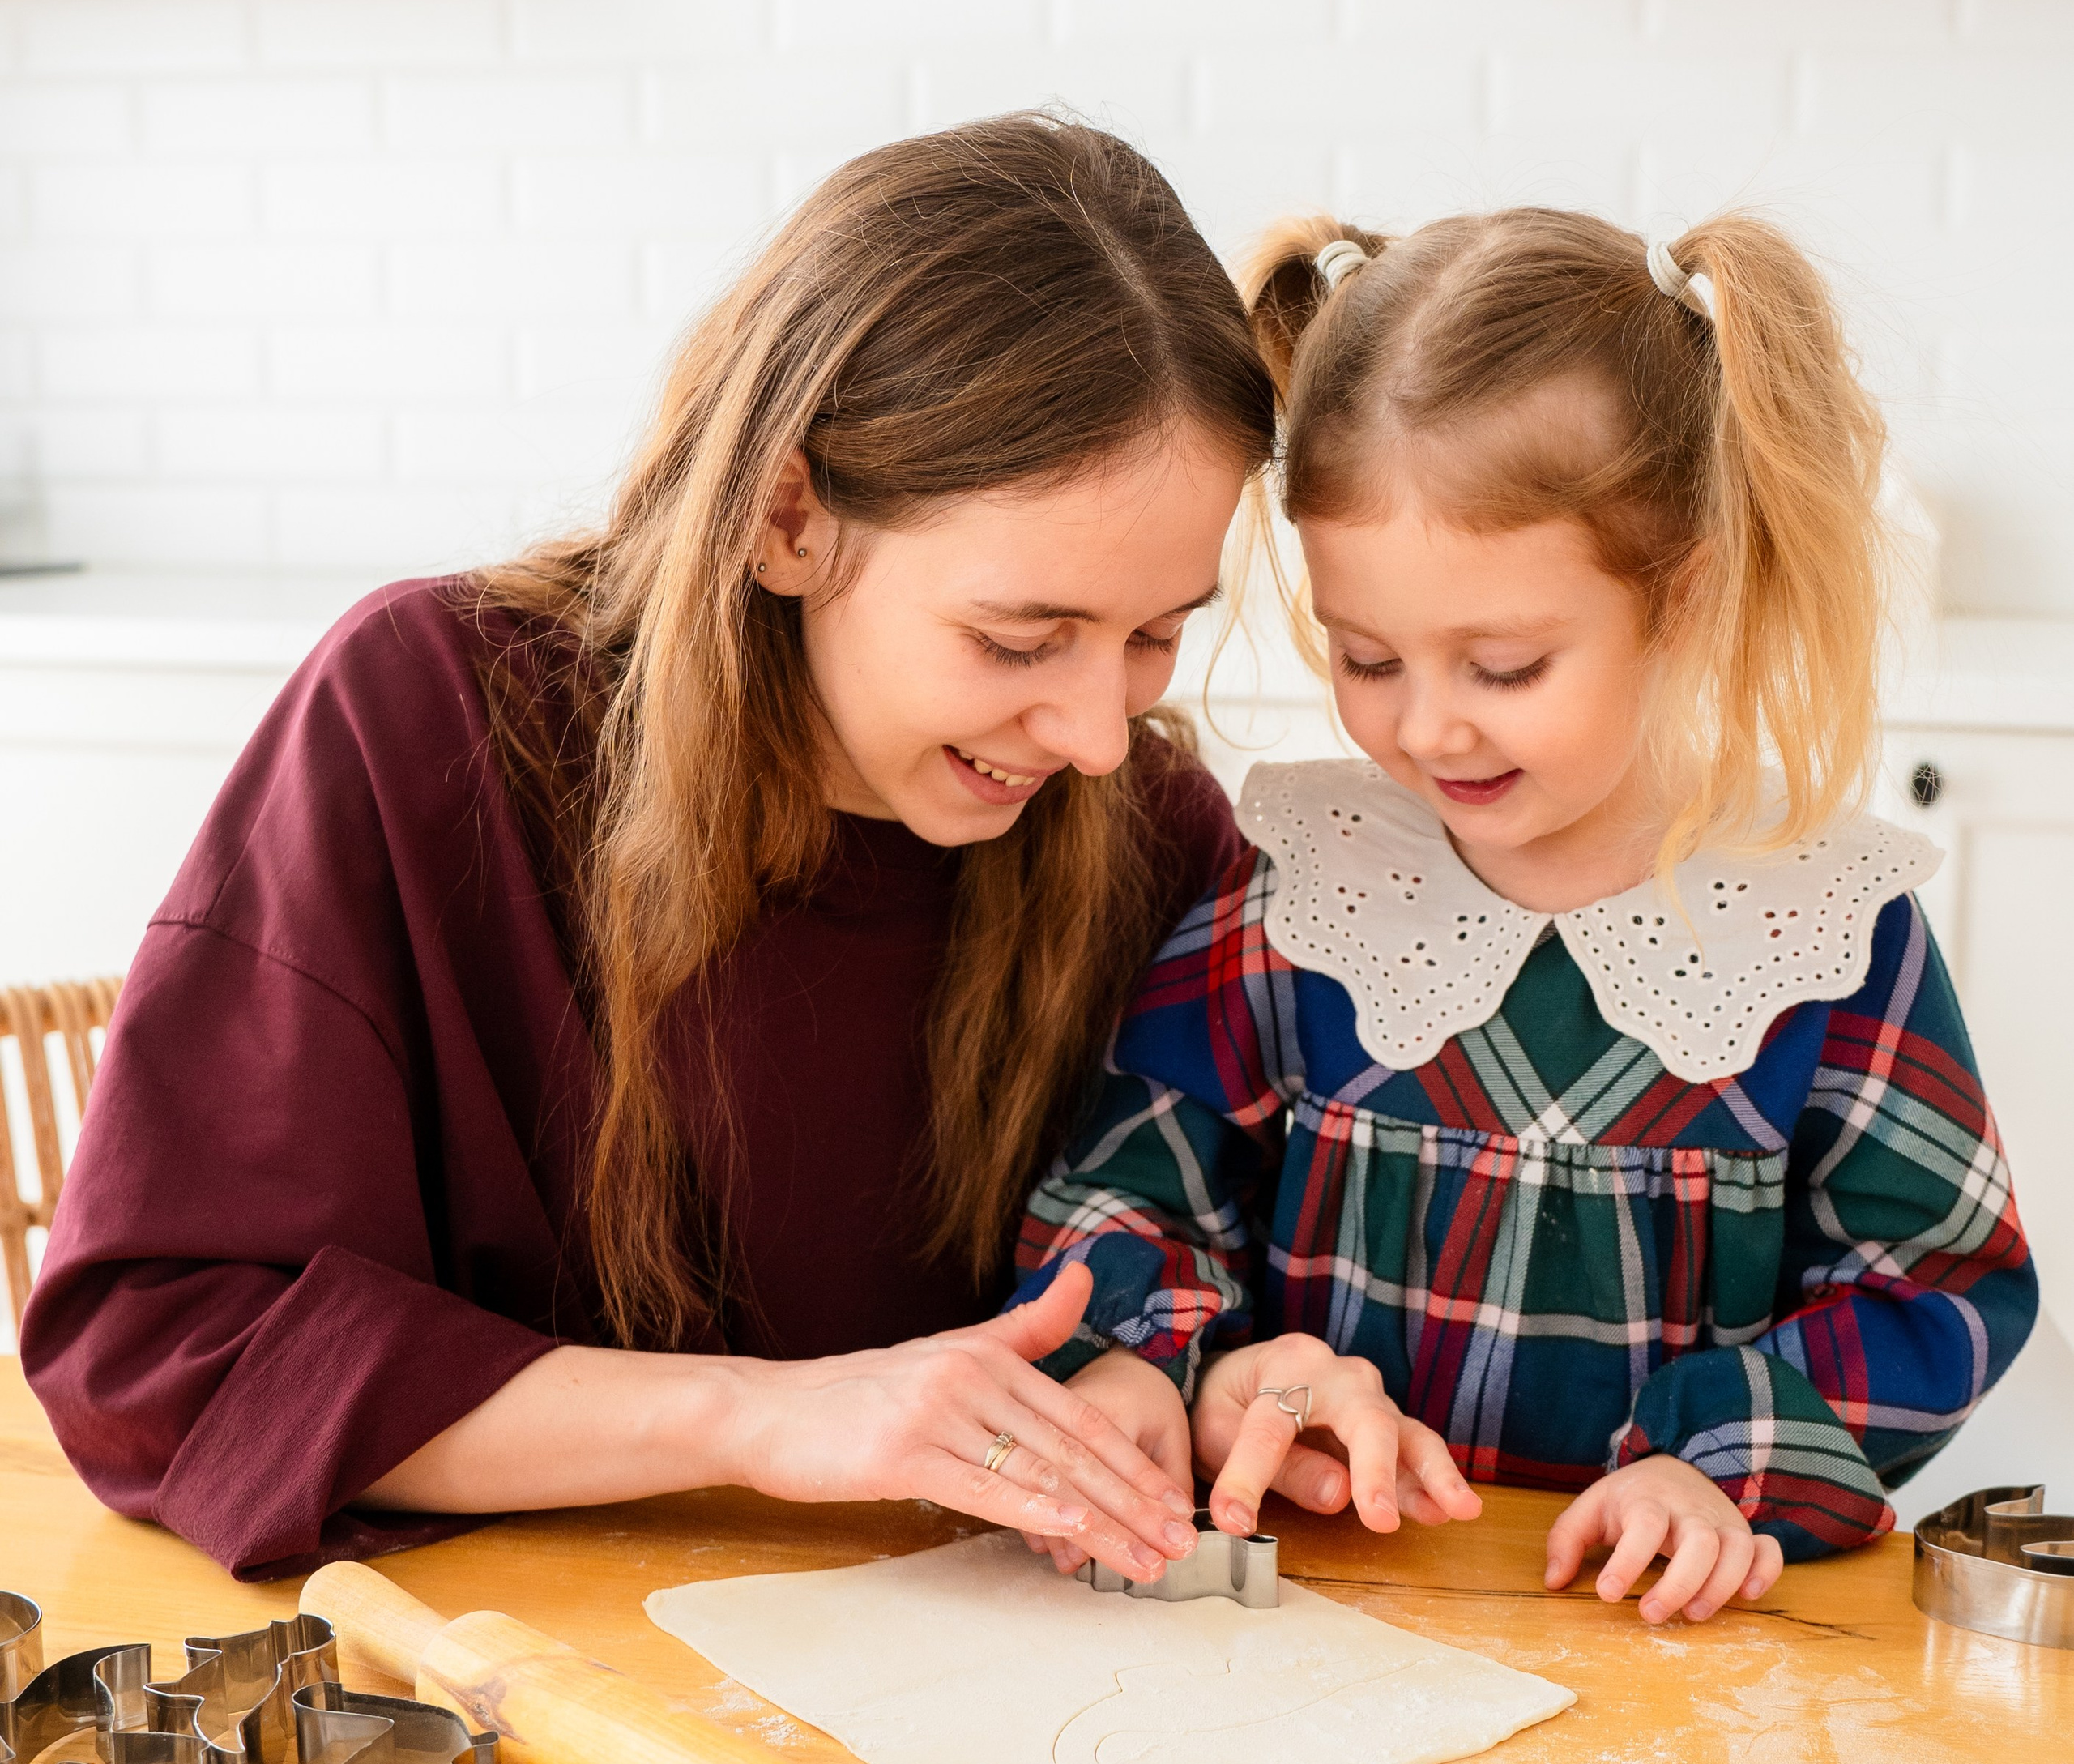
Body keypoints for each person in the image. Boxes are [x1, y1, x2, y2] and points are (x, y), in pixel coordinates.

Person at [24, 114, 1278, 1582]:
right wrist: (753, 1418)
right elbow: (163, 1354)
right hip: (501, 1679)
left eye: (1153, 636)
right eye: (1019, 639)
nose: (1096, 734)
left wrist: (1219, 1381)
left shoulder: (1151, 842)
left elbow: (1225, 1281)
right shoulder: (430, 715)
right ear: (788, 516)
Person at [1008, 206, 2038, 1622]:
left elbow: (1934, 1288)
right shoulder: (1301, 887)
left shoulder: (1822, 938)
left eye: (1503, 664)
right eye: (1366, 657)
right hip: (1323, 1611)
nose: (1427, 727)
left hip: (1656, 1636)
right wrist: (1165, 1368)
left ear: (1682, 594)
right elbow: (1134, 1191)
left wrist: (1716, 1470)